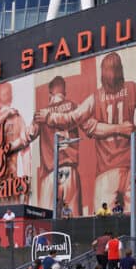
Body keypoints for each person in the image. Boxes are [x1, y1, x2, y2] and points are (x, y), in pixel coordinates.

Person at [37, 51, 136, 213]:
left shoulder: (95, 97)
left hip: (106, 169)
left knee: (103, 220)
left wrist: (50, 116)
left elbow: (72, 118)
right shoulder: (132, 89)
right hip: (129, 165)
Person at [8, 76, 80, 214]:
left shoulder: (41, 113)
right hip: (70, 170)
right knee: (73, 219)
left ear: (50, 93)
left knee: (46, 219)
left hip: (50, 173)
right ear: (64, 91)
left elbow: (27, 137)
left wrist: (8, 148)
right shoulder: (73, 106)